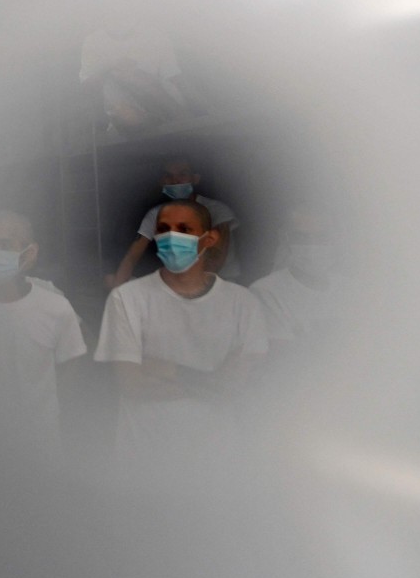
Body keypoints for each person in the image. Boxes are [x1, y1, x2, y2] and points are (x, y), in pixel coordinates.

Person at [94, 199, 268, 473]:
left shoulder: (243, 303)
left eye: (185, 229)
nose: (172, 237)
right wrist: (206, 378)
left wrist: (166, 368)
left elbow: (233, 388)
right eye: (164, 229)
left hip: (217, 461)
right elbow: (132, 385)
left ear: (209, 238)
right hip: (143, 459)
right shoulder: (127, 298)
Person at [0, 210, 86, 458]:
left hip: (36, 446)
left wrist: (47, 408)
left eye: (5, 244)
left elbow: (72, 363)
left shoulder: (54, 307)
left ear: (29, 254)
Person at [110, 156, 240, 287]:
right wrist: (118, 289)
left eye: (182, 174)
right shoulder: (156, 214)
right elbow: (132, 256)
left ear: (196, 179)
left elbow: (216, 259)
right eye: (168, 176)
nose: (175, 180)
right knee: (120, 282)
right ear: (162, 181)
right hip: (178, 283)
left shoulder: (218, 210)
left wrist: (188, 290)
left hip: (220, 282)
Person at [250, 204, 335, 364]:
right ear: (285, 238)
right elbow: (286, 361)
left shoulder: (355, 290)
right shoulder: (266, 292)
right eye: (302, 238)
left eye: (321, 238)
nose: (312, 247)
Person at [78, 18, 188, 136]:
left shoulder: (156, 35)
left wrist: (140, 79)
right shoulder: (92, 41)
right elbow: (86, 87)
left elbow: (174, 77)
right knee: (124, 111)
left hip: (164, 104)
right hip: (124, 116)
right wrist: (108, 68)